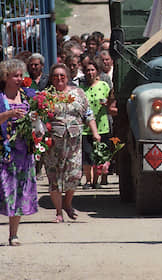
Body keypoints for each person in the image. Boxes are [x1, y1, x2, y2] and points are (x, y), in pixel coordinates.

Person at [0, 60, 38, 247]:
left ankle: (13, 235)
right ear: (5, 77)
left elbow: (37, 118)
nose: (20, 79)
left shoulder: (28, 96)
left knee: (18, 193)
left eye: (21, 75)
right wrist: (9, 114)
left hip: (22, 155)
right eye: (16, 76)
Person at [44, 63, 101, 223]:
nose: (59, 78)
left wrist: (95, 132)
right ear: (51, 79)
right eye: (56, 76)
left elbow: (88, 113)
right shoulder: (46, 95)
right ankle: (58, 212)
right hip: (53, 143)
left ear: (67, 77)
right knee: (54, 177)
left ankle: (67, 204)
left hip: (74, 142)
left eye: (62, 75)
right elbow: (39, 117)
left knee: (74, 175)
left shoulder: (78, 93)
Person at [80, 59, 111, 189]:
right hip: (85, 127)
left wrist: (107, 104)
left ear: (97, 71)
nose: (90, 73)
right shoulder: (81, 89)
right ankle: (88, 180)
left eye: (92, 70)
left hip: (102, 125)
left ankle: (96, 180)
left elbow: (111, 102)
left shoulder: (104, 85)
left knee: (99, 154)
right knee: (87, 155)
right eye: (87, 70)